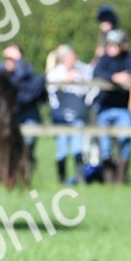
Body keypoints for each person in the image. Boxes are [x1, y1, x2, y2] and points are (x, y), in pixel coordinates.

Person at [93, 28, 131, 183]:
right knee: (105, 145)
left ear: (121, 46)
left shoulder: (129, 58)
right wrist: (114, 77)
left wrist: (130, 77)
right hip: (104, 107)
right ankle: (109, 180)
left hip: (122, 108)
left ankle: (121, 179)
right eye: (110, 45)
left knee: (125, 141)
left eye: (115, 45)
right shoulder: (104, 59)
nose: (111, 48)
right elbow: (97, 73)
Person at [0, 43, 45, 160]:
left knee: (28, 143)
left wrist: (18, 61)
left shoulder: (29, 71)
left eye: (14, 59)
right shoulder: (3, 72)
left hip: (29, 115)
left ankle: (26, 166)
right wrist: (7, 65)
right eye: (8, 58)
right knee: (9, 147)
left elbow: (22, 77)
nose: (10, 61)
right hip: (10, 116)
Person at [46, 44, 91, 184]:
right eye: (72, 57)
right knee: (62, 150)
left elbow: (88, 86)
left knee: (79, 148)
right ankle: (62, 179)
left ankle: (80, 179)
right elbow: (51, 89)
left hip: (77, 116)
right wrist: (66, 80)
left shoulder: (80, 71)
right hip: (60, 118)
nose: (75, 60)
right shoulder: (55, 73)